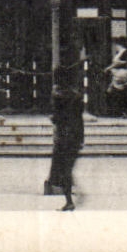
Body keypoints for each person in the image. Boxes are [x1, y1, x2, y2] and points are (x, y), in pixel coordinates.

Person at [46, 66, 84, 211]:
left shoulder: (57, 95)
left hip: (63, 135)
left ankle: (69, 200)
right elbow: (79, 118)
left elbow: (56, 116)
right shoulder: (77, 95)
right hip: (75, 134)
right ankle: (71, 197)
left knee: (63, 170)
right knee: (68, 168)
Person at [104, 43, 127, 117]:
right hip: (119, 74)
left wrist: (109, 68)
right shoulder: (120, 53)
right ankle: (121, 111)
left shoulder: (124, 52)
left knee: (121, 93)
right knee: (120, 93)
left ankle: (123, 112)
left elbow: (119, 63)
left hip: (122, 74)